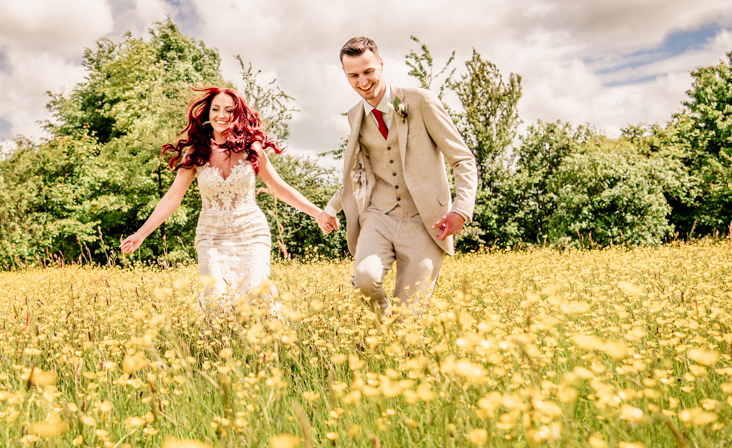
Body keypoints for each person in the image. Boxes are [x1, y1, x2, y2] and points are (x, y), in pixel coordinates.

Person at [120, 86, 325, 309]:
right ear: (208, 114)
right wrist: (141, 234)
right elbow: (172, 198)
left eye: (229, 110)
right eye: (216, 109)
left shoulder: (252, 149)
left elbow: (280, 188)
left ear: (238, 114)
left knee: (256, 296)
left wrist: (318, 213)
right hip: (212, 238)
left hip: (251, 234)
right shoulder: (196, 152)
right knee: (218, 300)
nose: (221, 115)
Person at [317, 37, 478, 317]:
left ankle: (396, 336)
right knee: (365, 279)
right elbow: (359, 172)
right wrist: (331, 209)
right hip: (378, 215)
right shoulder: (355, 116)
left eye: (368, 71)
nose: (362, 81)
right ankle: (382, 323)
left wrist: (461, 210)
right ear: (345, 75)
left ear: (380, 64)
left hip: (425, 219)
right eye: (353, 75)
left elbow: (462, 159)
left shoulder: (421, 101)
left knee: (409, 315)